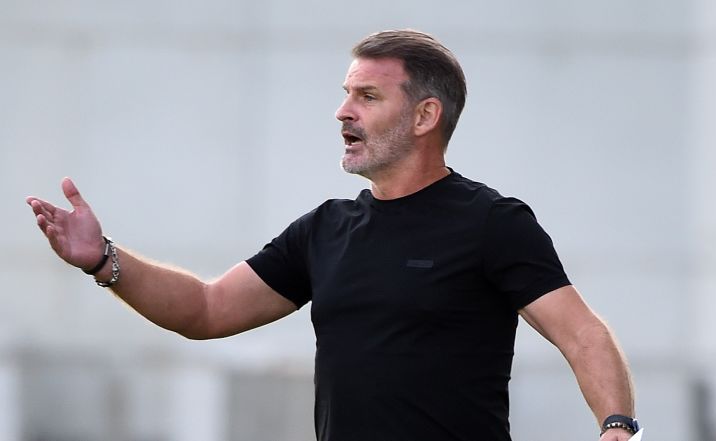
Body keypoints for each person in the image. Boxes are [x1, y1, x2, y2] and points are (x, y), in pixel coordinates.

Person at [27, 29, 638, 441]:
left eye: (367, 96)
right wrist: (102, 259)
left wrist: (617, 428)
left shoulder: (492, 222)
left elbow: (582, 333)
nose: (343, 111)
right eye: (346, 95)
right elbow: (206, 309)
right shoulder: (324, 229)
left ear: (425, 116)